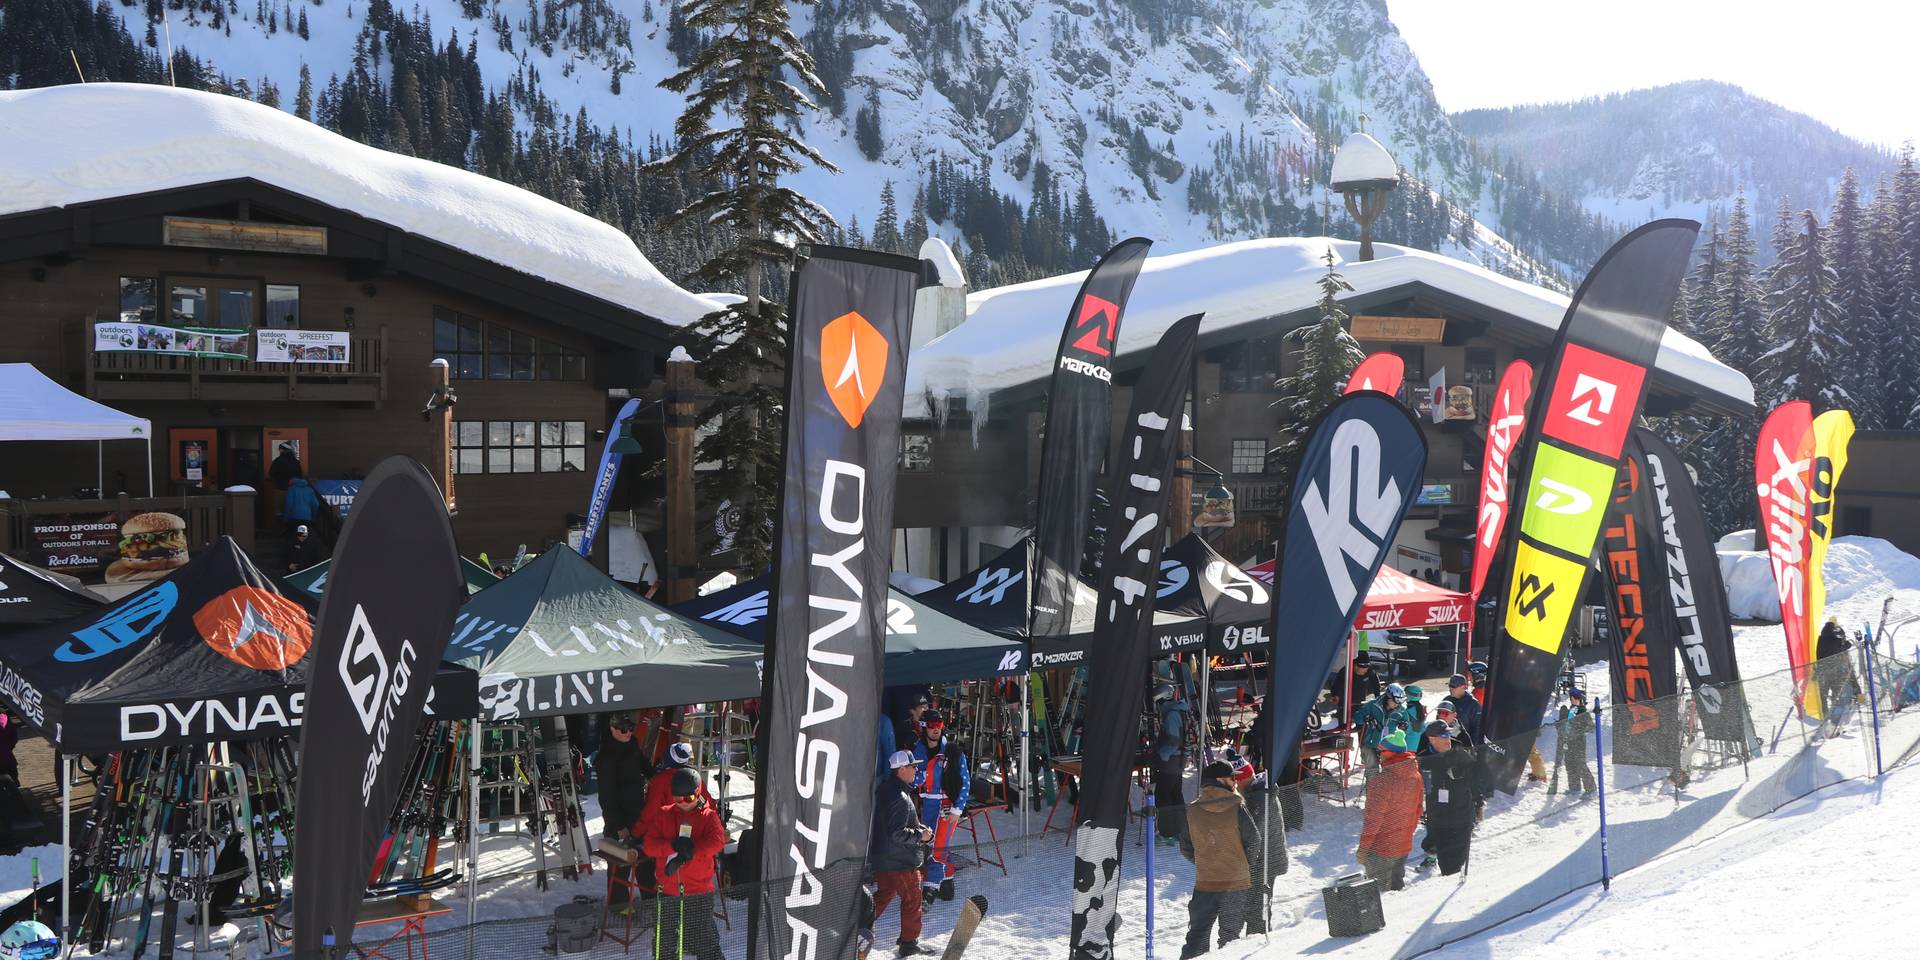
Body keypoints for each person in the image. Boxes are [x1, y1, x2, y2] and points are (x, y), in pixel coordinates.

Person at [639, 770, 727, 960]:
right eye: (678, 798)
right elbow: (649, 846)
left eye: (690, 798)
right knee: (664, 943)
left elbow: (717, 842)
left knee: (702, 940)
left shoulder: (708, 816)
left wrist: (692, 849)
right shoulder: (664, 814)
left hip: (698, 892)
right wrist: (671, 845)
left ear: (699, 792)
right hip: (668, 890)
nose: (684, 803)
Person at [1177, 760, 1258, 959]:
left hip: (1205, 883)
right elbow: (1254, 840)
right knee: (1229, 942)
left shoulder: (1193, 810)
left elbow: (1186, 846)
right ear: (1220, 780)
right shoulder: (1237, 805)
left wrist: (1206, 862)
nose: (1236, 782)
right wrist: (1241, 865)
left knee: (1196, 939)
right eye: (1232, 778)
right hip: (1236, 884)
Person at [871, 751, 934, 957]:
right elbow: (897, 833)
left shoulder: (887, 790)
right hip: (901, 861)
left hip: (884, 859)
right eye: (913, 766)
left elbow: (893, 825)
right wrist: (921, 835)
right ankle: (909, 943)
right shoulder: (899, 796)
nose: (917, 770)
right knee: (913, 900)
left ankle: (854, 929)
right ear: (902, 770)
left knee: (883, 896)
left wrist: (917, 827)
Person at [910, 710, 969, 903]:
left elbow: (965, 782)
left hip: (946, 805)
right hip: (928, 805)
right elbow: (914, 780)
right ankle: (947, 881)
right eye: (933, 725)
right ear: (925, 727)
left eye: (940, 725)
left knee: (937, 846)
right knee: (930, 843)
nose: (936, 730)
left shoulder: (953, 752)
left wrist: (957, 809)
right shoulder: (916, 750)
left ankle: (930, 890)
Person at [1356, 730, 1423, 891]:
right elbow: (1418, 811)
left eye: (1381, 752)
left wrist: (1364, 847)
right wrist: (1406, 834)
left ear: (1392, 753)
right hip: (1403, 845)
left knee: (1379, 894)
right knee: (1396, 889)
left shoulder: (1382, 781)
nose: (1379, 756)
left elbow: (1373, 819)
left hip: (1381, 849)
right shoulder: (1416, 776)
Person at [1238, 768, 1289, 934]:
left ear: (1244, 779)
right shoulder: (1259, 792)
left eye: (1236, 781)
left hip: (1265, 862)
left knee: (1258, 910)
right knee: (1258, 907)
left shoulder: (1259, 799)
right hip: (1265, 859)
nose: (1234, 785)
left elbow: (1252, 835)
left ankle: (1257, 938)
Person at [1420, 723, 1475, 875]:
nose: (1448, 739)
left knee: (1454, 864)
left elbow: (1479, 774)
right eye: (1444, 736)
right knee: (1444, 860)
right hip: (1437, 816)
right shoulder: (1424, 757)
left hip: (1460, 815)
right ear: (1432, 739)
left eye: (1449, 735)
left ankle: (1453, 881)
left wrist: (1461, 774)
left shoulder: (1460, 752)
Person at [1151, 682, 1191, 844]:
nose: (1157, 707)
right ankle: (1180, 830)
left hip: (1171, 761)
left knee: (1163, 796)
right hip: (1179, 761)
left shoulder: (1172, 714)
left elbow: (1173, 741)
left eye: (1158, 703)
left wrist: (1161, 754)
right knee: (1175, 795)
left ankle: (1167, 833)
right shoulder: (1180, 711)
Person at [1353, 683, 1407, 777]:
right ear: (1388, 697)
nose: (1397, 704)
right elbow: (1357, 716)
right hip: (1371, 743)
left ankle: (1385, 790)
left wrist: (1404, 726)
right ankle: (1371, 790)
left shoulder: (1401, 711)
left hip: (1388, 745)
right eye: (1396, 701)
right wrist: (1365, 718)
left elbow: (1406, 724)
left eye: (1400, 701)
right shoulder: (1373, 705)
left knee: (1389, 772)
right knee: (1372, 772)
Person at [1552, 689, 1597, 796]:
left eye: (1574, 698)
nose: (1572, 700)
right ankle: (1575, 787)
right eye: (1571, 698)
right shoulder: (1571, 710)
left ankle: (1591, 789)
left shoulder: (1582, 711)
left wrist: (1577, 730)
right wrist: (1560, 724)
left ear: (1580, 699)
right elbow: (1567, 726)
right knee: (1570, 764)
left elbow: (1590, 727)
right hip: (1568, 742)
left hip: (1579, 743)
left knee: (1581, 765)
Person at [1328, 657, 1382, 721]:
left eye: (1367, 669)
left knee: (1361, 723)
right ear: (1356, 666)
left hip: (1360, 702)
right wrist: (1336, 696)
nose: (1366, 671)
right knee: (1344, 724)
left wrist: (1378, 698)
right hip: (1345, 703)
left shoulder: (1369, 670)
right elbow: (1336, 686)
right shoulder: (1345, 671)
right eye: (1364, 669)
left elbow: (1376, 685)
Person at [1445, 674, 1482, 745]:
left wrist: (1472, 747)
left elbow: (1477, 728)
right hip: (1446, 742)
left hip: (1463, 745)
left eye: (1453, 686)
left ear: (1463, 687)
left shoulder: (1473, 704)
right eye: (1449, 686)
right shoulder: (1447, 700)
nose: (1450, 689)